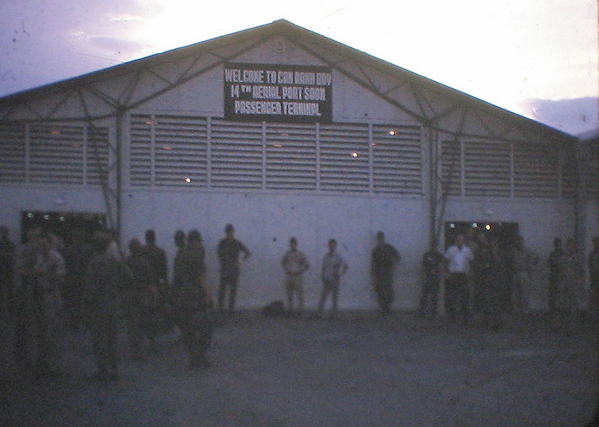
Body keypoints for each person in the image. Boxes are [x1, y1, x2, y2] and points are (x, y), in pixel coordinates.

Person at [85, 231, 132, 381]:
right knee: (112, 338)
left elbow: (90, 288)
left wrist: (87, 305)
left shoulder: (94, 263)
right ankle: (114, 369)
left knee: (99, 338)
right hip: (113, 302)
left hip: (99, 304)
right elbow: (128, 276)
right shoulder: (113, 261)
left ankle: (102, 370)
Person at [174, 230, 213, 369]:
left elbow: (176, 277)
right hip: (197, 295)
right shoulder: (197, 255)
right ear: (195, 241)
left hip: (184, 295)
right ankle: (201, 356)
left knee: (189, 329)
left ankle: (193, 358)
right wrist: (208, 294)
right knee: (205, 328)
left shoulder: (180, 254)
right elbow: (201, 276)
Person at [31, 232, 66, 378]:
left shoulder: (56, 258)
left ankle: (53, 365)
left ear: (50, 244)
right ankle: (43, 362)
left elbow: (60, 276)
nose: (41, 247)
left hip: (51, 295)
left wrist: (43, 273)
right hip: (40, 294)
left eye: (44, 244)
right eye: (40, 244)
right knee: (41, 330)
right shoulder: (39, 256)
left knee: (51, 331)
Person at [123, 238, 153, 361]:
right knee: (142, 321)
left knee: (132, 323)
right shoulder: (145, 262)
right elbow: (150, 279)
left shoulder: (127, 262)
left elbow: (123, 278)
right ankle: (143, 347)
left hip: (130, 294)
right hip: (143, 293)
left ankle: (135, 349)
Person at [61, 227, 93, 330]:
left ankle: (74, 322)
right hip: (84, 278)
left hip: (73, 278)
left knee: (74, 302)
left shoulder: (69, 250)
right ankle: (85, 322)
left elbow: (66, 265)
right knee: (85, 301)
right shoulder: (88, 249)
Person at [217, 224, 251, 317]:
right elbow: (219, 254)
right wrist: (224, 263)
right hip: (225, 270)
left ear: (232, 232)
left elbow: (248, 253)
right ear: (226, 233)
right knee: (222, 291)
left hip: (233, 271)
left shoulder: (236, 243)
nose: (229, 234)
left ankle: (230, 311)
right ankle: (221, 309)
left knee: (232, 291)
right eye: (228, 232)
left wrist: (239, 261)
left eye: (230, 232)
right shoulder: (222, 243)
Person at [143, 229, 168, 335]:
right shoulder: (160, 252)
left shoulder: (142, 251)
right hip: (157, 282)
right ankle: (155, 331)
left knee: (146, 308)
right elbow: (164, 269)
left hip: (144, 284)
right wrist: (165, 282)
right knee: (157, 308)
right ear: (155, 238)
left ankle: (147, 329)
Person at [444, 234, 474, 324]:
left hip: (463, 275)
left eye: (461, 240)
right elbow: (446, 261)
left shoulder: (467, 250)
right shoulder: (451, 249)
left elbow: (472, 261)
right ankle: (452, 317)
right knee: (452, 296)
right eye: (458, 239)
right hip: (453, 275)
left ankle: (465, 317)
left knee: (464, 296)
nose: (460, 241)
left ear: (464, 241)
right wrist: (446, 273)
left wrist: (470, 272)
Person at [558, 238, 585, 333]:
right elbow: (560, 269)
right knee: (565, 304)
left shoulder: (578, 257)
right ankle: (565, 326)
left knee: (573, 305)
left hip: (574, 283)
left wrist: (580, 282)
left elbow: (582, 271)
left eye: (572, 245)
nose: (570, 247)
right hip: (565, 283)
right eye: (568, 245)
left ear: (574, 246)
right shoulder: (563, 257)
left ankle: (573, 327)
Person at [371, 231, 401, 316]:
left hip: (387, 273)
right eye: (378, 238)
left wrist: (394, 266)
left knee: (388, 290)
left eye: (381, 237)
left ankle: (388, 308)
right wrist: (373, 274)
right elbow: (373, 263)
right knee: (380, 291)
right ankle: (383, 308)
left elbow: (397, 256)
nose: (380, 239)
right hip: (379, 273)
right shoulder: (376, 250)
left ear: (383, 238)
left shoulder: (389, 248)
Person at [317, 239, 348, 319]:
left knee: (334, 297)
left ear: (335, 246)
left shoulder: (338, 256)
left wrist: (339, 274)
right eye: (330, 245)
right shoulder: (325, 256)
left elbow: (345, 266)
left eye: (333, 245)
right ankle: (319, 313)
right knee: (323, 296)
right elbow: (323, 267)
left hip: (335, 279)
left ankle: (334, 314)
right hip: (327, 279)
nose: (331, 246)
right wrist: (322, 276)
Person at [508, 235, 538, 313]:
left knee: (524, 292)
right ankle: (516, 310)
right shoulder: (512, 251)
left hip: (523, 273)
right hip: (515, 273)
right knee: (515, 293)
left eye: (520, 241)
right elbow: (508, 261)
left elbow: (535, 258)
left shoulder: (527, 251)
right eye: (517, 241)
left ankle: (525, 309)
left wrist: (531, 267)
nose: (518, 243)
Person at [281, 237, 310, 317]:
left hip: (297, 276)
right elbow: (283, 262)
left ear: (296, 244)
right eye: (291, 244)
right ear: (290, 245)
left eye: (294, 244)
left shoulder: (300, 254)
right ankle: (290, 310)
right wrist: (286, 270)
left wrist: (301, 271)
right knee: (289, 294)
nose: (292, 245)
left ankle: (300, 311)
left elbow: (307, 264)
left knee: (299, 294)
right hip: (290, 276)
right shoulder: (287, 254)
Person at [418, 246, 444, 319]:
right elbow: (425, 263)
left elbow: (441, 261)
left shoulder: (439, 255)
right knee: (425, 294)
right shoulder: (427, 255)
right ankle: (423, 310)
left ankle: (433, 311)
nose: (434, 248)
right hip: (428, 276)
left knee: (435, 295)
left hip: (436, 277)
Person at [546, 237, 564, 322]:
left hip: (561, 279)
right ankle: (553, 318)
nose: (557, 245)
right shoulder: (552, 254)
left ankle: (559, 318)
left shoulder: (563, 254)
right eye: (555, 244)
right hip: (553, 278)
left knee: (560, 299)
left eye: (558, 243)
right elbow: (548, 263)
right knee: (552, 299)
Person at [0, 225, 16, 317]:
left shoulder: (10, 244)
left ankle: (10, 309)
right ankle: (3, 309)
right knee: (2, 291)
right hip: (2, 269)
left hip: (8, 269)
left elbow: (12, 255)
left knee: (9, 289)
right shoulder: (5, 244)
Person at [589, 236, 599, 315]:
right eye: (594, 243)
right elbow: (590, 266)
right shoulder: (592, 254)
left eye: (596, 242)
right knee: (594, 298)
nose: (595, 244)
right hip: (594, 279)